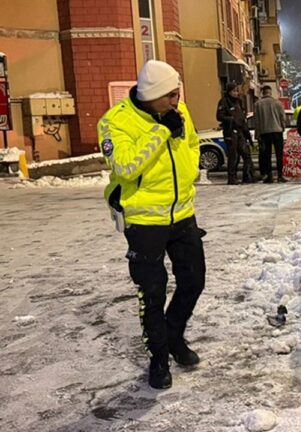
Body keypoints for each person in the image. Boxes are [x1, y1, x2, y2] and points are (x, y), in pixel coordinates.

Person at [97, 60, 206, 390]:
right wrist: (161, 132)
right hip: (144, 222)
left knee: (194, 280)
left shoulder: (178, 110)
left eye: (177, 94)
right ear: (152, 95)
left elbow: (192, 145)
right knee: (153, 291)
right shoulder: (115, 122)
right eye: (170, 95)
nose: (177, 101)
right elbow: (125, 165)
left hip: (182, 213)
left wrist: (189, 174)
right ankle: (158, 359)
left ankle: (174, 335)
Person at [216, 82, 255, 185]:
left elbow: (243, 116)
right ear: (229, 91)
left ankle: (247, 175)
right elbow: (219, 116)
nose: (236, 93)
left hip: (241, 131)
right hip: (230, 131)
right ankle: (232, 177)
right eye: (233, 91)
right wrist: (231, 120)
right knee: (233, 156)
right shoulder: (224, 102)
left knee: (246, 154)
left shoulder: (239, 102)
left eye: (237, 90)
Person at [253, 85, 286, 183]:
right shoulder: (278, 103)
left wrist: (257, 134)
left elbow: (257, 121)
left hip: (264, 133)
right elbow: (282, 118)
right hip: (277, 131)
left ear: (263, 92)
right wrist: (282, 128)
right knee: (279, 155)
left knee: (266, 155)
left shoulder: (258, 104)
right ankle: (280, 175)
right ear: (270, 92)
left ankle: (269, 176)